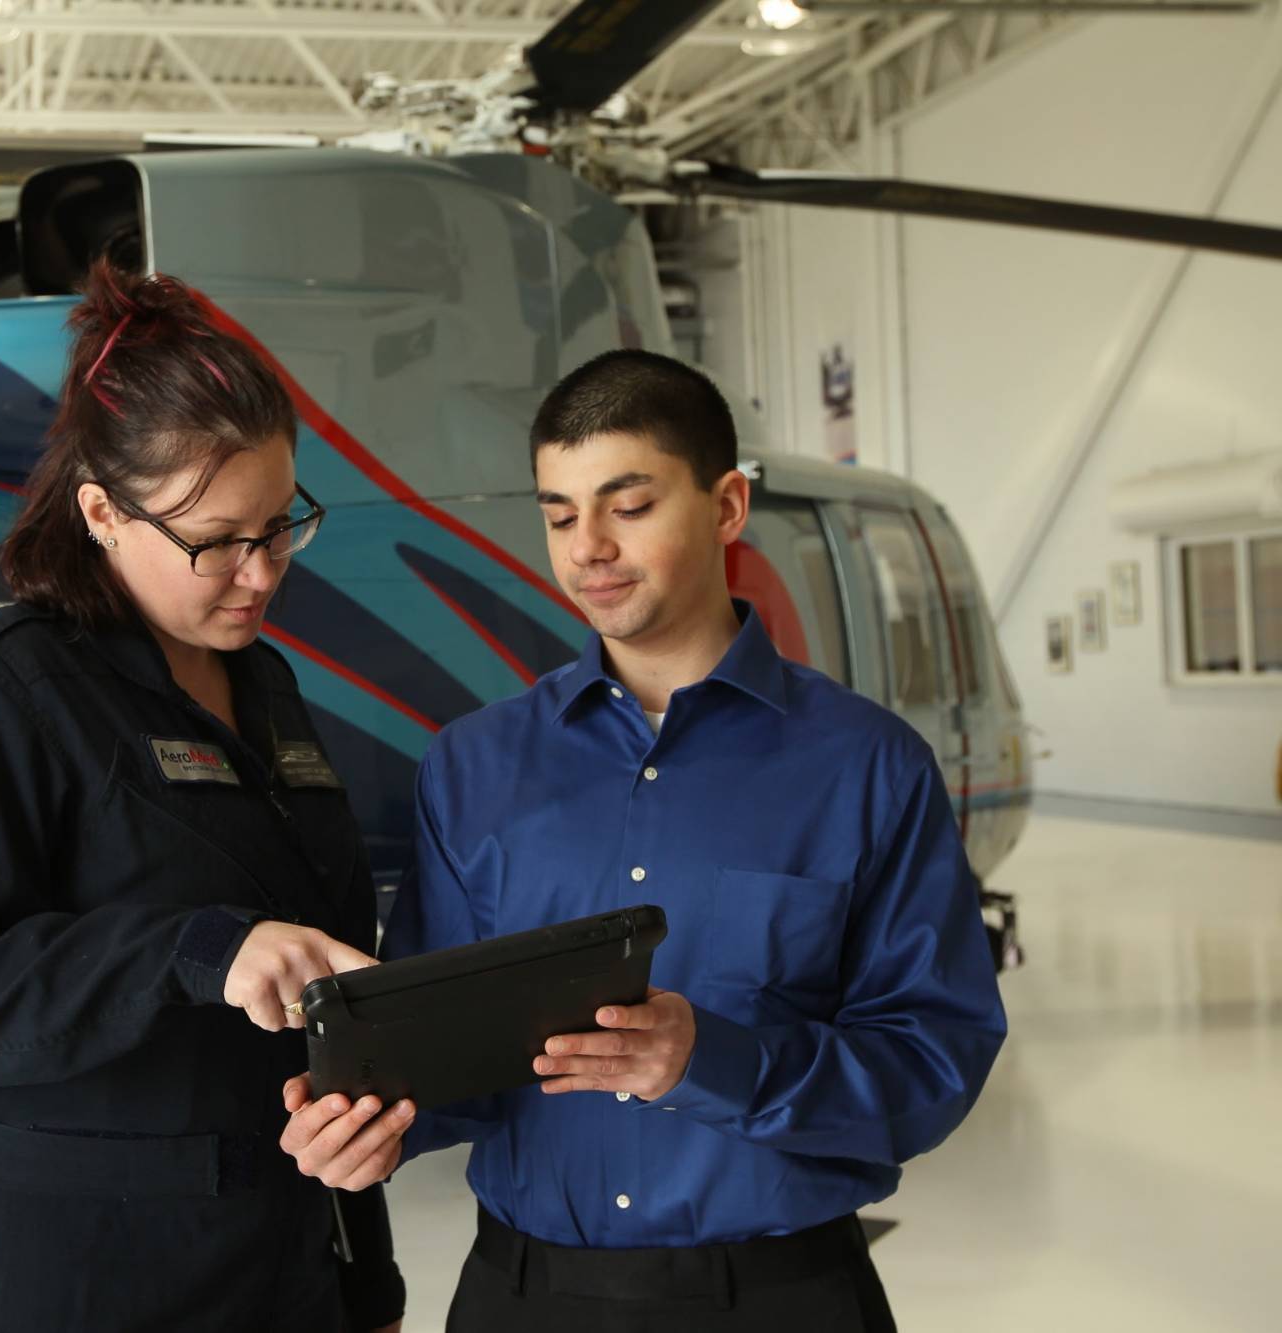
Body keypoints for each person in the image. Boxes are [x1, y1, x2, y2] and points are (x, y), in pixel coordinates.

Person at [279, 349, 1006, 1331]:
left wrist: (711, 1061)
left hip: (781, 1301)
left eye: (628, 506)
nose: (588, 548)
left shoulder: (867, 766)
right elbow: (446, 1058)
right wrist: (371, 1124)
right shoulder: (472, 766)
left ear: (727, 506)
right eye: (559, 514)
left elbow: (933, 1063)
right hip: (523, 1299)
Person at [0, 259, 404, 1333]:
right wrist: (192, 949)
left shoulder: (265, 686)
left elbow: (322, 1006)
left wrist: (364, 1274)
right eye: (217, 541)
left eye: (279, 524)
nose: (261, 572)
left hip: (266, 1262)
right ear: (102, 511)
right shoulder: (0, 695)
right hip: (44, 1266)